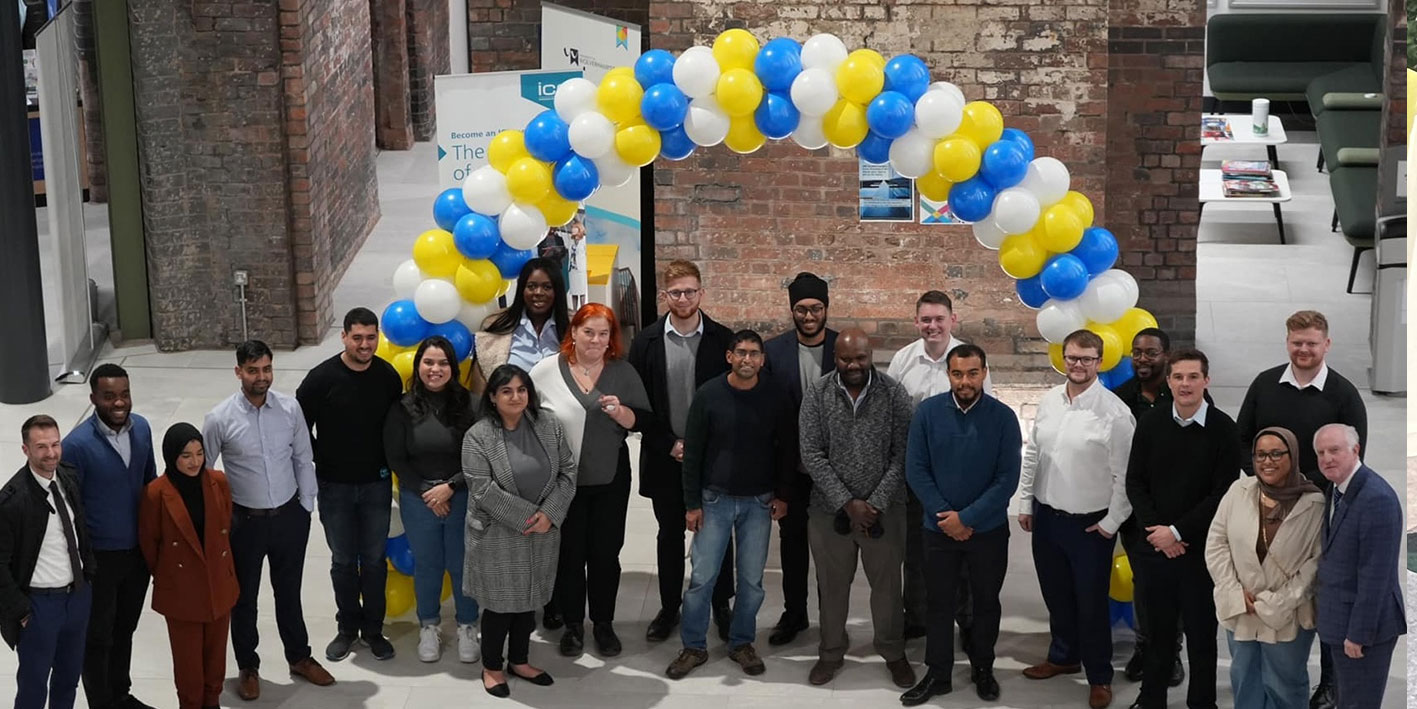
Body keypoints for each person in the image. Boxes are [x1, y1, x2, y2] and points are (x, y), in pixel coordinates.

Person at [1234, 310, 1367, 709]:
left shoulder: (1344, 395)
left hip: (1321, 511)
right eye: (1297, 342)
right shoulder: (1264, 384)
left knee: (1323, 594)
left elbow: (1353, 460)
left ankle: (1328, 681)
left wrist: (1305, 491)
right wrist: (1268, 481)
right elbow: (1242, 439)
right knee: (1270, 581)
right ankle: (1267, 669)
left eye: (1311, 342)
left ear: (1327, 344)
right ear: (1287, 342)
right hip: (1267, 503)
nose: (1303, 349)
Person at [202, 340, 332, 700]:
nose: (261, 377)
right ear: (238, 372)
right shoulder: (219, 418)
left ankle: (299, 657)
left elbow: (303, 458)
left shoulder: (290, 409)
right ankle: (248, 666)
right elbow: (205, 471)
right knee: (243, 598)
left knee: (289, 591)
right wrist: (219, 520)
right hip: (244, 522)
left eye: (266, 369)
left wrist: (306, 506)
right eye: (253, 370)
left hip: (289, 516)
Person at [664, 330, 793, 680]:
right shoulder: (709, 395)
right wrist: (692, 503)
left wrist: (783, 495)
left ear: (762, 360)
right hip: (714, 500)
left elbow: (786, 448)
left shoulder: (776, 396)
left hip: (759, 502)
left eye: (754, 353)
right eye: (741, 352)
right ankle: (693, 646)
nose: (747, 359)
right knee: (702, 578)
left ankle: (741, 642)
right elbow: (693, 453)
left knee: (751, 580)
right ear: (729, 357)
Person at [1018, 329, 1135, 709]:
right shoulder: (1050, 400)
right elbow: (1033, 454)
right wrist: (1025, 503)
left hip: (1090, 525)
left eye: (1086, 358)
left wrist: (1111, 523)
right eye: (1072, 357)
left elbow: (1126, 477)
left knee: (1091, 604)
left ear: (1099, 362)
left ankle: (1099, 676)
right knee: (1056, 595)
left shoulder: (1116, 414)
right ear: (1063, 359)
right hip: (1047, 517)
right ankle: (1063, 656)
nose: (1078, 364)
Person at [900, 344, 1020, 705]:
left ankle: (983, 667)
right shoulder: (927, 413)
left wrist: (966, 519)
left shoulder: (1003, 417)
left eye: (972, 373)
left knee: (985, 603)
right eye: (957, 374)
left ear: (984, 373)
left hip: (988, 531)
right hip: (938, 530)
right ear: (948, 375)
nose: (964, 381)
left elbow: (1007, 479)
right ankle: (938, 674)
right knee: (937, 603)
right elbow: (916, 470)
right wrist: (947, 518)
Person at [530, 302, 652, 658]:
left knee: (605, 554)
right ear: (574, 332)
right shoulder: (545, 371)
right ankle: (572, 625)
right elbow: (525, 418)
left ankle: (603, 623)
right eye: (588, 332)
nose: (596, 340)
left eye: (603, 333)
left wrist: (622, 412)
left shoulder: (623, 372)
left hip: (609, 479)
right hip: (561, 483)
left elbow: (644, 420)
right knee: (569, 555)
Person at [1122, 349, 1240, 709]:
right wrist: (1159, 532)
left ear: (1206, 381)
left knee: (1202, 636)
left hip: (1200, 551)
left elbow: (1223, 493)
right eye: (1178, 377)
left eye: (1193, 377)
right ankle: (1151, 699)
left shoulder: (1224, 429)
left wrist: (1177, 532)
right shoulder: (1150, 423)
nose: (1185, 384)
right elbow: (1135, 482)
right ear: (1169, 381)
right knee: (1157, 634)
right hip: (1155, 547)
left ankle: (1202, 702)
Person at [799, 328, 916, 689]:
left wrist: (874, 503)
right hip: (829, 510)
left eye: (860, 358)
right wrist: (847, 503)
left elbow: (903, 453)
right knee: (831, 587)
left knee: (887, 587)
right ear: (835, 357)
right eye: (846, 358)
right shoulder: (817, 393)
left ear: (871, 355)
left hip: (886, 511)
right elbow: (811, 453)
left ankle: (893, 652)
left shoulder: (893, 393)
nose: (853, 365)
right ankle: (830, 652)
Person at [627, 260, 736, 643]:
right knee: (669, 534)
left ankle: (721, 604)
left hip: (714, 457)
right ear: (665, 296)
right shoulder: (646, 343)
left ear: (701, 293)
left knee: (718, 534)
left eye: (690, 291)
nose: (684, 298)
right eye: (676, 292)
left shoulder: (723, 340)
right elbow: (638, 402)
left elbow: (733, 401)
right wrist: (670, 443)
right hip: (664, 454)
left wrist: (702, 446)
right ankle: (669, 607)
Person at [462, 365, 577, 699]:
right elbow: (482, 489)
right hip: (498, 534)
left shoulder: (549, 425)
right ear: (493, 397)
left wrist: (549, 514)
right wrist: (531, 518)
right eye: (507, 391)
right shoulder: (478, 436)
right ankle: (492, 667)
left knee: (528, 602)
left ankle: (520, 661)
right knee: (500, 607)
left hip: (542, 533)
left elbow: (568, 471)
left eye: (522, 390)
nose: (516, 397)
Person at [296, 307, 403, 662]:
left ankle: (373, 630)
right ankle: (347, 629)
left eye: (371, 337)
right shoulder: (320, 379)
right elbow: (298, 426)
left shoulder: (387, 377)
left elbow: (396, 426)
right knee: (343, 561)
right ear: (343, 337)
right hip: (334, 487)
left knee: (373, 560)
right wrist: (320, 458)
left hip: (376, 485)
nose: (365, 344)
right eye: (357, 337)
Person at [886, 290, 993, 644]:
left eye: (939, 319)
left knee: (963, 550)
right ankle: (916, 617)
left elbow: (986, 415)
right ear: (916, 322)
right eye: (926, 319)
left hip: (960, 474)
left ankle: (967, 621)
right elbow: (891, 416)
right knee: (915, 551)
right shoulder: (903, 360)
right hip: (915, 473)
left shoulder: (970, 359)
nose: (932, 326)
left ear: (953, 320)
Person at [59, 364, 157, 709]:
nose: (119, 402)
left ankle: (121, 695)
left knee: (125, 629)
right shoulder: (76, 446)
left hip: (136, 555)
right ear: (93, 398)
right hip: (99, 560)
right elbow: (68, 511)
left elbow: (150, 485)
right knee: (97, 636)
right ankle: (101, 703)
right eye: (109, 396)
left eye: (124, 394)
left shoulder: (141, 429)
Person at [1205, 427, 1324, 709]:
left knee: (1285, 686)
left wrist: (1278, 602)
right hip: (1241, 608)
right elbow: (1216, 543)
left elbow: (1316, 564)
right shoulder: (1238, 491)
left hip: (1287, 614)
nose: (1267, 461)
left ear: (1292, 456)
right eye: (1260, 455)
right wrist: (1232, 590)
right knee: (1245, 681)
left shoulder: (1314, 503)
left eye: (1276, 454)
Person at [1112, 327, 1204, 685]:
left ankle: (1171, 652)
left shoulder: (1184, 395)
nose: (1142, 359)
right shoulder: (1120, 399)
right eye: (1137, 352)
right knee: (1145, 585)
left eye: (1151, 352)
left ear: (1166, 355)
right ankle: (1145, 647)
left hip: (1178, 513)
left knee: (1175, 585)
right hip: (1137, 513)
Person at [383, 336, 482, 663]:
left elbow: (481, 456)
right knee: (427, 565)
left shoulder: (472, 405)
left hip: (462, 496)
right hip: (418, 498)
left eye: (442, 363)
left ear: (453, 368)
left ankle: (467, 625)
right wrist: (428, 491)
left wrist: (450, 487)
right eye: (428, 362)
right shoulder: (402, 407)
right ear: (418, 366)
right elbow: (396, 457)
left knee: (462, 564)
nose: (435, 369)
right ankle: (428, 625)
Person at [137, 424, 241, 709]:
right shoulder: (156, 493)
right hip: (181, 593)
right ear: (172, 457)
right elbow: (150, 544)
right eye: (186, 456)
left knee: (216, 659)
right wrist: (173, 576)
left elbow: (224, 526)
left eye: (199, 453)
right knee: (188, 666)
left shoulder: (218, 482)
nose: (195, 461)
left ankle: (213, 703)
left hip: (218, 584)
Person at [761, 270, 838, 645]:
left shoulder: (843, 347)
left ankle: (832, 620)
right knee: (792, 547)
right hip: (790, 470)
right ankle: (794, 615)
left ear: (826, 309)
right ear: (792, 310)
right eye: (802, 309)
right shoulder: (774, 351)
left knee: (830, 551)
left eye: (816, 308)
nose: (809, 316)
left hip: (833, 471)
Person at [0, 415, 96, 709]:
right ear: (26, 449)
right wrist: (21, 611)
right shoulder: (12, 502)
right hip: (39, 607)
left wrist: (88, 577)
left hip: (77, 597)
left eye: (55, 444)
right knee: (33, 686)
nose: (51, 453)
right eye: (41, 446)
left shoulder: (68, 477)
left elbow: (80, 530)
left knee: (68, 679)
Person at [1313, 424, 1404, 709]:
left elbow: (1375, 576)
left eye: (1334, 450)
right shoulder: (1337, 488)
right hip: (1340, 622)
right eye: (1321, 453)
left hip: (1364, 632)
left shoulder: (1376, 498)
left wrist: (1358, 634)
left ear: (1356, 450)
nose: (1327, 458)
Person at [469, 258, 570, 397]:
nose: (538, 292)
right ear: (522, 289)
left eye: (547, 287)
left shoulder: (575, 327)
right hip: (511, 409)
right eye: (531, 286)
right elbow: (479, 393)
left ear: (557, 290)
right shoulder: (496, 326)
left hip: (559, 409)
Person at [567, 219, 589, 311]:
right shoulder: (571, 240)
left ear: (579, 229)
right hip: (572, 269)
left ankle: (582, 309)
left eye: (574, 227)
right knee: (574, 291)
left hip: (580, 268)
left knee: (582, 290)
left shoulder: (584, 240)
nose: (572, 229)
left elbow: (587, 253)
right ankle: (575, 310)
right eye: (572, 228)